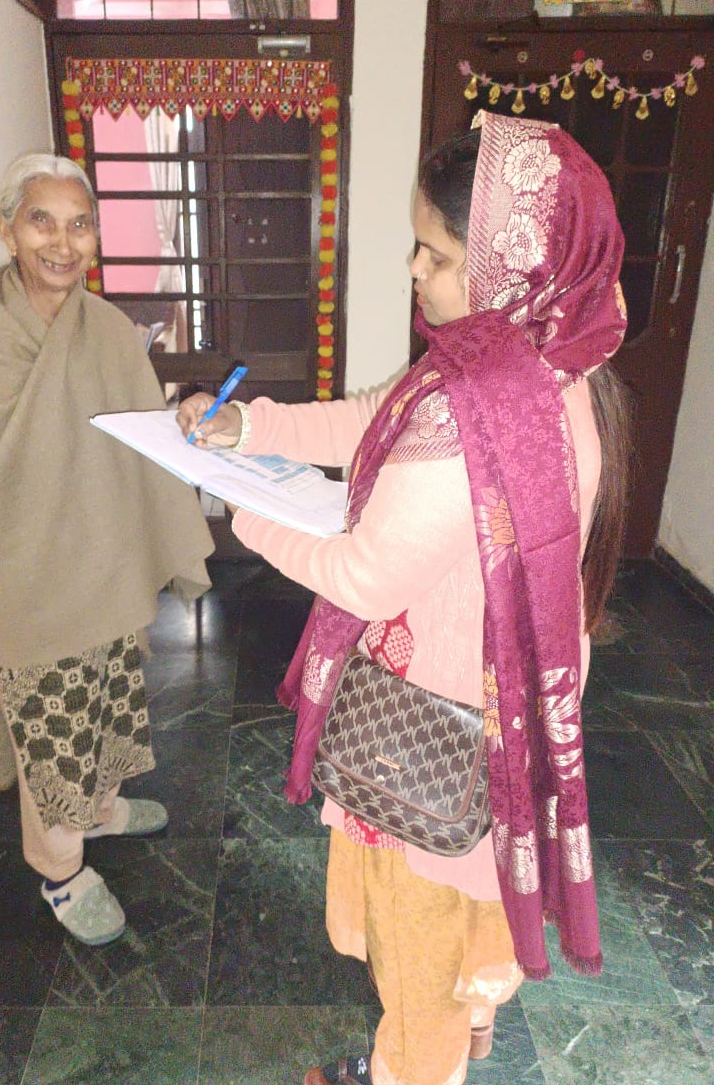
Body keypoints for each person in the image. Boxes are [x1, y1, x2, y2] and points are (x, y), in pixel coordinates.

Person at [176, 111, 631, 1085]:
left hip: (433, 736)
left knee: (418, 968)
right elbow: (375, 416)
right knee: (464, 941)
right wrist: (250, 429)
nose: (414, 271)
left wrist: (240, 510)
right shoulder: (544, 359)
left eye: (438, 254)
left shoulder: (478, 407)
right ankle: (459, 1037)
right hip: (500, 715)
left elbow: (362, 575)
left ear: (510, 266)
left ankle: (411, 1067)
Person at [0, 153, 214, 947]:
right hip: (26, 578)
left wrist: (182, 422)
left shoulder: (107, 329)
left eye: (79, 223)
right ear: (7, 230)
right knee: (52, 728)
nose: (62, 242)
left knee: (111, 699)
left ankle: (103, 808)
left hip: (100, 563)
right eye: (41, 221)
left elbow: (133, 433)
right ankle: (59, 870)